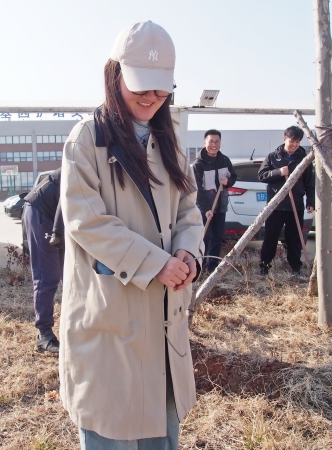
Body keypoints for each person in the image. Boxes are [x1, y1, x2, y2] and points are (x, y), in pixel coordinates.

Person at [59, 20, 204, 448]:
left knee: (160, 428)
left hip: (163, 316)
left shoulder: (169, 139)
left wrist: (188, 254)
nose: (150, 98)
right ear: (114, 74)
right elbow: (87, 222)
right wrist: (156, 263)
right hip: (110, 317)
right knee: (112, 425)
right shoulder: (87, 140)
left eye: (161, 90)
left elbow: (189, 210)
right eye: (141, 86)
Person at [257, 126, 315, 277]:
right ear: (284, 139)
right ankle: (264, 267)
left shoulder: (304, 159)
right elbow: (261, 175)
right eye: (292, 141)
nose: (294, 144)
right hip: (275, 206)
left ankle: (296, 268)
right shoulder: (272, 157)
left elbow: (310, 182)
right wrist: (278, 172)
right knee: (271, 237)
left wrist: (310, 201)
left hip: (295, 205)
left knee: (294, 239)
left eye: (297, 142)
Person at [22, 167, 64, 354]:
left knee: (69, 274)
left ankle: (73, 327)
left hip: (57, 213)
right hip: (43, 211)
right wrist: (57, 233)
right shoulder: (84, 160)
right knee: (47, 275)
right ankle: (44, 335)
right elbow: (65, 198)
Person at [192, 129, 236, 273]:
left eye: (217, 142)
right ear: (205, 143)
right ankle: (202, 267)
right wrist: (206, 209)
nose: (214, 145)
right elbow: (197, 189)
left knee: (217, 237)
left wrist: (228, 181)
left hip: (221, 206)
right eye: (211, 141)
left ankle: (213, 268)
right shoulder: (199, 164)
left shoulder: (224, 160)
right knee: (205, 237)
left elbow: (233, 177)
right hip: (205, 208)